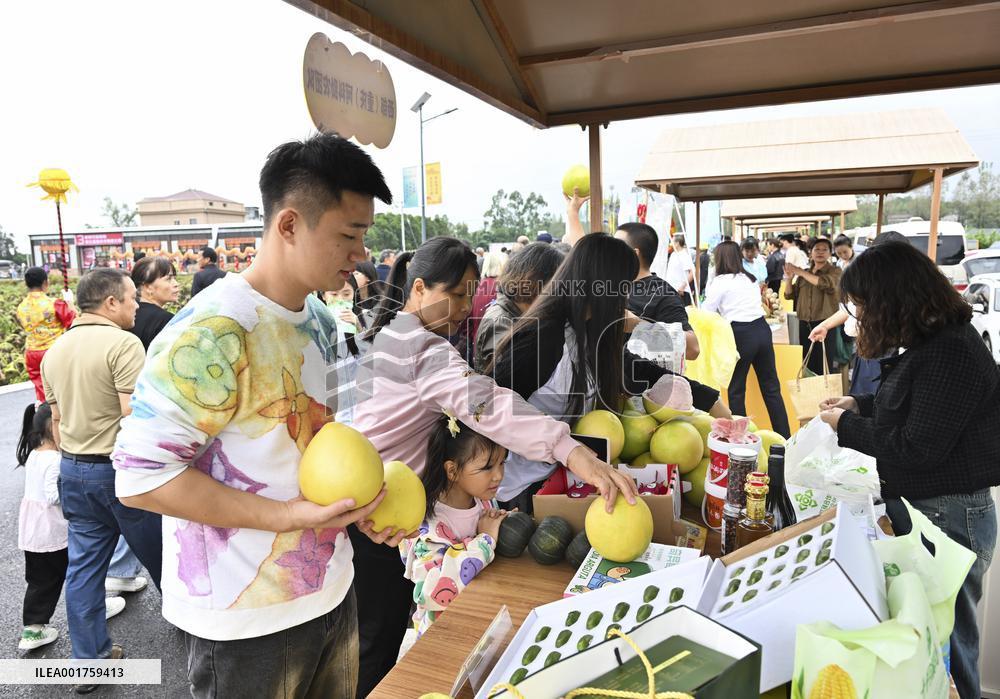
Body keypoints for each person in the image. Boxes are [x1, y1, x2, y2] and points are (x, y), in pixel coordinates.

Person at [112, 133, 399, 699]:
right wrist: (288, 516)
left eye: (364, 236)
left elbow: (317, 443)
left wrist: (353, 507)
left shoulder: (319, 317)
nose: (361, 254)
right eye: (349, 235)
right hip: (244, 624)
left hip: (332, 589)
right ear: (289, 224)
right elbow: (141, 480)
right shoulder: (212, 332)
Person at [351, 236, 636, 695]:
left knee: (384, 639)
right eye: (457, 294)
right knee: (379, 646)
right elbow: (487, 404)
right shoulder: (421, 349)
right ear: (419, 288)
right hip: (379, 517)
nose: (467, 306)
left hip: (384, 508)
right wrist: (570, 450)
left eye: (470, 293)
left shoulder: (396, 336)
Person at [818, 241, 1000, 699]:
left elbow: (916, 447)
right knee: (932, 638)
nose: (859, 316)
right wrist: (858, 403)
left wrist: (846, 426)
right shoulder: (932, 345)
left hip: (947, 517)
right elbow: (914, 409)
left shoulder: (951, 352)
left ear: (891, 299)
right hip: (931, 510)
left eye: (862, 304)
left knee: (948, 644)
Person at [487, 234, 730, 511]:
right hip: (521, 493)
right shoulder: (541, 340)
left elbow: (645, 371)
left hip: (570, 479)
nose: (626, 299)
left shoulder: (590, 335)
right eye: (624, 288)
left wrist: (716, 406)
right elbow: (490, 410)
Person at [40, 269, 161, 686]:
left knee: (84, 572)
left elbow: (56, 419)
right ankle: (201, 647)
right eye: (131, 298)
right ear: (111, 302)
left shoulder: (55, 350)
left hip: (73, 469)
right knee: (166, 561)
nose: (136, 305)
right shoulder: (123, 343)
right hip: (120, 472)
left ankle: (88, 663)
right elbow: (134, 412)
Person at [400, 413, 509, 636]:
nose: (498, 475)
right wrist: (485, 539)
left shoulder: (482, 499)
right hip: (445, 633)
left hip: (481, 617)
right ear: (452, 470)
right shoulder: (429, 526)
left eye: (502, 463)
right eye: (487, 467)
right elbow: (431, 590)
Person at [702, 242, 790, 437]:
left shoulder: (720, 281)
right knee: (772, 389)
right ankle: (785, 437)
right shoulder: (749, 278)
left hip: (740, 334)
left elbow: (707, 311)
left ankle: (739, 440)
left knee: (736, 390)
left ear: (720, 259)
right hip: (762, 330)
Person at [808, 231, 906, 395]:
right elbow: (850, 308)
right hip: (869, 352)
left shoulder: (906, 287)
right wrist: (825, 325)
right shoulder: (870, 279)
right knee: (862, 401)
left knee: (877, 401)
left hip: (891, 355)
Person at [16, 402, 70, 651]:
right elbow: (52, 496)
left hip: (34, 533)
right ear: (54, 428)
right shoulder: (54, 460)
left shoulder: (34, 455)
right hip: (53, 532)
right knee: (79, 571)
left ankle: (33, 628)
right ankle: (96, 607)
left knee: (40, 580)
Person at [614, 222, 700, 360]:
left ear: (633, 254)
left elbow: (692, 349)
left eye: (614, 248)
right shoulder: (610, 286)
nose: (608, 253)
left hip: (640, 372)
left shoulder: (662, 293)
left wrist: (638, 326)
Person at [475, 242, 564, 373]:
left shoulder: (521, 312)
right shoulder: (500, 322)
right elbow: (511, 375)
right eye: (554, 285)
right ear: (534, 282)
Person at [15, 267, 75, 403]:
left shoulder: (21, 307)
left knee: (43, 393)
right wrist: (69, 302)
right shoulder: (54, 304)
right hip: (53, 351)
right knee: (61, 391)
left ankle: (45, 412)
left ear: (26, 284)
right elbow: (74, 322)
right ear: (45, 283)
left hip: (31, 353)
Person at [784, 237, 842, 375]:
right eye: (817, 249)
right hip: (804, 323)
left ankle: (825, 389)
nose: (820, 252)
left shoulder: (835, 271)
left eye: (824, 250)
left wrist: (800, 272)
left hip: (826, 324)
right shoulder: (805, 273)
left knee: (823, 363)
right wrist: (789, 279)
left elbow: (825, 284)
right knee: (806, 362)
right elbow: (789, 295)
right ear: (811, 252)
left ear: (830, 253)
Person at [130, 256, 180, 351]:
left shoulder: (129, 314)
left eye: (174, 278)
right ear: (148, 287)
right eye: (168, 279)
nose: (176, 284)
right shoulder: (165, 320)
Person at [665, 234, 695, 305]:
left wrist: (683, 286)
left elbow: (693, 272)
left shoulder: (684, 255)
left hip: (680, 291)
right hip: (671, 290)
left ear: (677, 243)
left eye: (672, 241)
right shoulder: (673, 254)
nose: (671, 243)